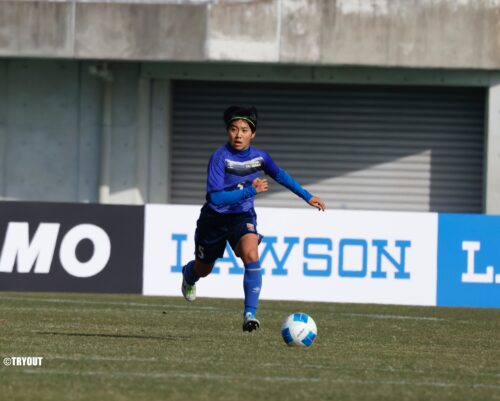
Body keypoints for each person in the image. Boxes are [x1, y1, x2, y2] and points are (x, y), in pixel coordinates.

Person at [181, 106, 326, 332]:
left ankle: (250, 314)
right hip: (214, 219)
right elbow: (216, 198)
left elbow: (280, 175)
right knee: (203, 269)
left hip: (242, 215)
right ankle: (189, 275)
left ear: (253, 134)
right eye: (233, 129)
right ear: (228, 131)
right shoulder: (220, 157)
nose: (238, 135)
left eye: (244, 130)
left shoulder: (260, 157)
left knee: (251, 254)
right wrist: (251, 191)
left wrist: (307, 196)